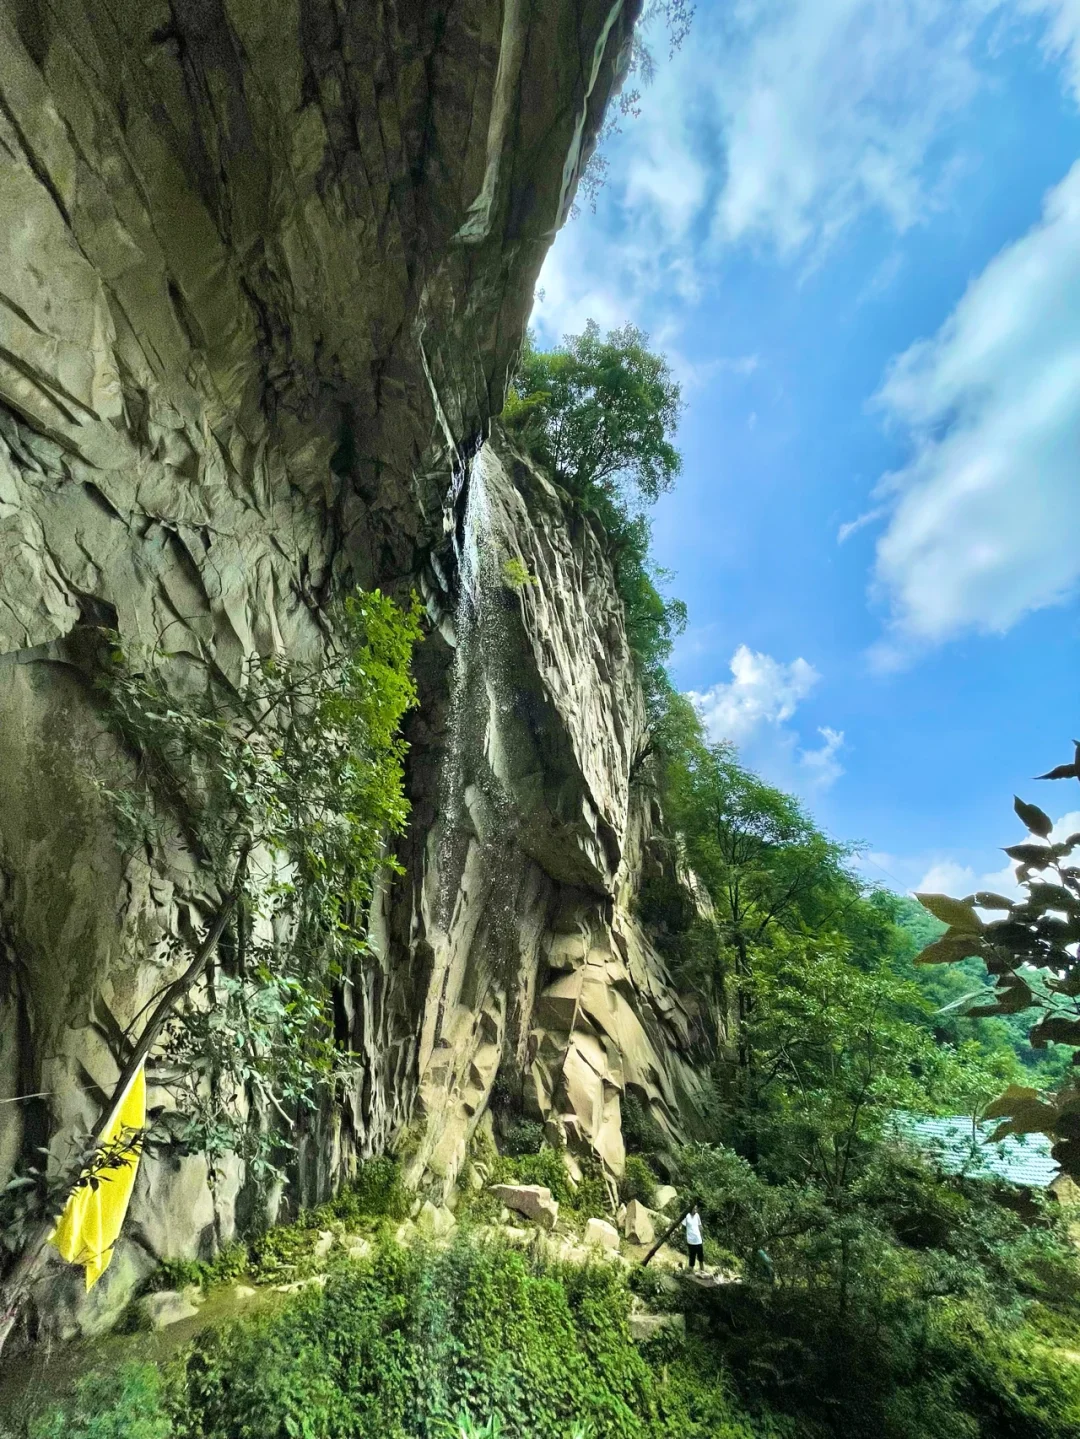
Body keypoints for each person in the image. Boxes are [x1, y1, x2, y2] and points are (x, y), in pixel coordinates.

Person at [682, 1201, 705, 1271]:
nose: (695, 1210)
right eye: (694, 1209)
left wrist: (702, 1236)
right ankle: (690, 1271)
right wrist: (685, 1237)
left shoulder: (697, 1215)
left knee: (701, 1256)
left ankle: (702, 1270)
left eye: (696, 1209)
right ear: (691, 1209)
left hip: (698, 1239)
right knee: (692, 1256)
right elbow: (683, 1227)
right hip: (691, 1240)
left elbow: (700, 1226)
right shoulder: (687, 1216)